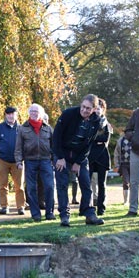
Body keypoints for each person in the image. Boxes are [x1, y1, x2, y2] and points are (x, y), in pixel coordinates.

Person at [53, 94, 105, 227]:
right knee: (62, 184)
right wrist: (60, 158)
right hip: (62, 153)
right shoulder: (68, 114)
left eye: (88, 108)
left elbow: (89, 144)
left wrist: (78, 162)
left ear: (93, 109)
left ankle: (89, 213)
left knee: (86, 184)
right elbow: (56, 137)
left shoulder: (96, 121)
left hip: (80, 155)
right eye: (83, 107)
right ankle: (64, 215)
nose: (84, 110)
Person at [14, 103, 55, 222]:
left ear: (41, 114)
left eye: (36, 111)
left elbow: (54, 146)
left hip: (45, 160)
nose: (33, 113)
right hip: (30, 161)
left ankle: (49, 212)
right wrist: (18, 161)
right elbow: (18, 147)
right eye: (31, 111)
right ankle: (35, 214)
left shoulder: (48, 128)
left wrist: (55, 160)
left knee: (49, 186)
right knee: (31, 188)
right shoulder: (22, 128)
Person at [0, 106, 25, 215]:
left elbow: (26, 144)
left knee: (19, 186)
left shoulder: (21, 128)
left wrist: (22, 158)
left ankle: (20, 207)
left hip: (17, 161)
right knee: (2, 185)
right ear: (5, 115)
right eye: (8, 114)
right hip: (2, 160)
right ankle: (4, 206)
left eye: (13, 114)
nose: (10, 116)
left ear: (16, 115)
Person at [88, 98, 113, 216]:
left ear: (103, 110)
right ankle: (87, 207)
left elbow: (105, 139)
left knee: (102, 184)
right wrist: (95, 140)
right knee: (87, 183)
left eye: (99, 108)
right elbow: (87, 139)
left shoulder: (107, 124)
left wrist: (95, 140)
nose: (97, 111)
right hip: (89, 156)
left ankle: (101, 208)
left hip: (102, 156)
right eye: (96, 108)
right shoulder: (88, 122)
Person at [113, 135, 132, 204]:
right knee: (125, 182)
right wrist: (116, 165)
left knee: (133, 183)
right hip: (123, 164)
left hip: (134, 164)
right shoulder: (120, 141)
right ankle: (126, 201)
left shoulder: (135, 139)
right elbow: (116, 154)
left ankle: (132, 200)